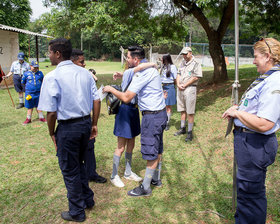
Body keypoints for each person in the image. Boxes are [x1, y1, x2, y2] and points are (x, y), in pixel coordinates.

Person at [38, 38, 100, 222]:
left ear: (58, 54)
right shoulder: (85, 74)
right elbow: (96, 100)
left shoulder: (52, 76)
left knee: (70, 170)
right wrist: (94, 123)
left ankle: (76, 212)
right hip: (85, 124)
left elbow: (51, 113)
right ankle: (88, 200)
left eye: (49, 52)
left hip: (68, 128)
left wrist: (51, 132)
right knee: (79, 164)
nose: (48, 55)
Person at [222, 37, 280, 224]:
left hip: (255, 144)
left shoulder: (274, 82)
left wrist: (238, 113)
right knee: (247, 192)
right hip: (249, 143)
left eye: (256, 57)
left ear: (268, 56)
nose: (253, 61)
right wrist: (240, 110)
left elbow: (265, 123)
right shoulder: (268, 78)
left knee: (251, 194)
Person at [103, 46, 167, 197]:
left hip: (148, 115)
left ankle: (143, 185)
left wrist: (110, 89)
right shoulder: (140, 70)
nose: (126, 60)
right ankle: (117, 175)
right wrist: (151, 64)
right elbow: (131, 73)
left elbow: (126, 96)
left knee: (149, 148)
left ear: (136, 59)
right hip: (152, 113)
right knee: (148, 147)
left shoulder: (142, 72)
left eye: (128, 57)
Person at [109, 59, 156, 188]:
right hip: (125, 110)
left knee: (131, 143)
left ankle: (128, 172)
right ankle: (114, 175)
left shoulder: (132, 73)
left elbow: (138, 70)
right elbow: (139, 68)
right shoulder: (131, 71)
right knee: (121, 146)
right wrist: (153, 64)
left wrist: (120, 74)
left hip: (134, 110)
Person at [70, 48, 106, 184]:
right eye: (82, 62)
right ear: (72, 62)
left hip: (85, 119)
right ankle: (78, 175)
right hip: (70, 122)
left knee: (89, 147)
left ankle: (91, 172)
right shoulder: (64, 78)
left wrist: (93, 123)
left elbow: (95, 99)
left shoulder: (87, 76)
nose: (84, 64)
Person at [174, 47, 202, 142]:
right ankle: (182, 128)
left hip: (190, 88)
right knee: (182, 109)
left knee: (190, 111)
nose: (184, 56)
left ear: (190, 53)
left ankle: (190, 132)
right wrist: (178, 84)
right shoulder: (182, 62)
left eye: (186, 54)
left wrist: (185, 85)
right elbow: (178, 74)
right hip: (180, 88)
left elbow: (196, 77)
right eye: (183, 54)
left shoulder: (196, 63)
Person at [21, 60, 46, 125]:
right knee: (30, 106)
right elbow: (23, 83)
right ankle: (28, 119)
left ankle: (41, 117)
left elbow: (43, 81)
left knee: (39, 106)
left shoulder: (40, 73)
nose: (35, 68)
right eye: (34, 67)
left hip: (38, 93)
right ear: (30, 66)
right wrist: (26, 91)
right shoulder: (26, 74)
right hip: (29, 93)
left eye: (37, 67)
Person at [160, 54, 177, 131]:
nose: (161, 60)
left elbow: (176, 78)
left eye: (162, 59)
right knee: (163, 105)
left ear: (166, 59)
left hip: (170, 87)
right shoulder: (163, 67)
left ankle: (167, 123)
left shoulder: (173, 67)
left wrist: (176, 86)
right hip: (163, 87)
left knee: (168, 106)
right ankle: (163, 121)